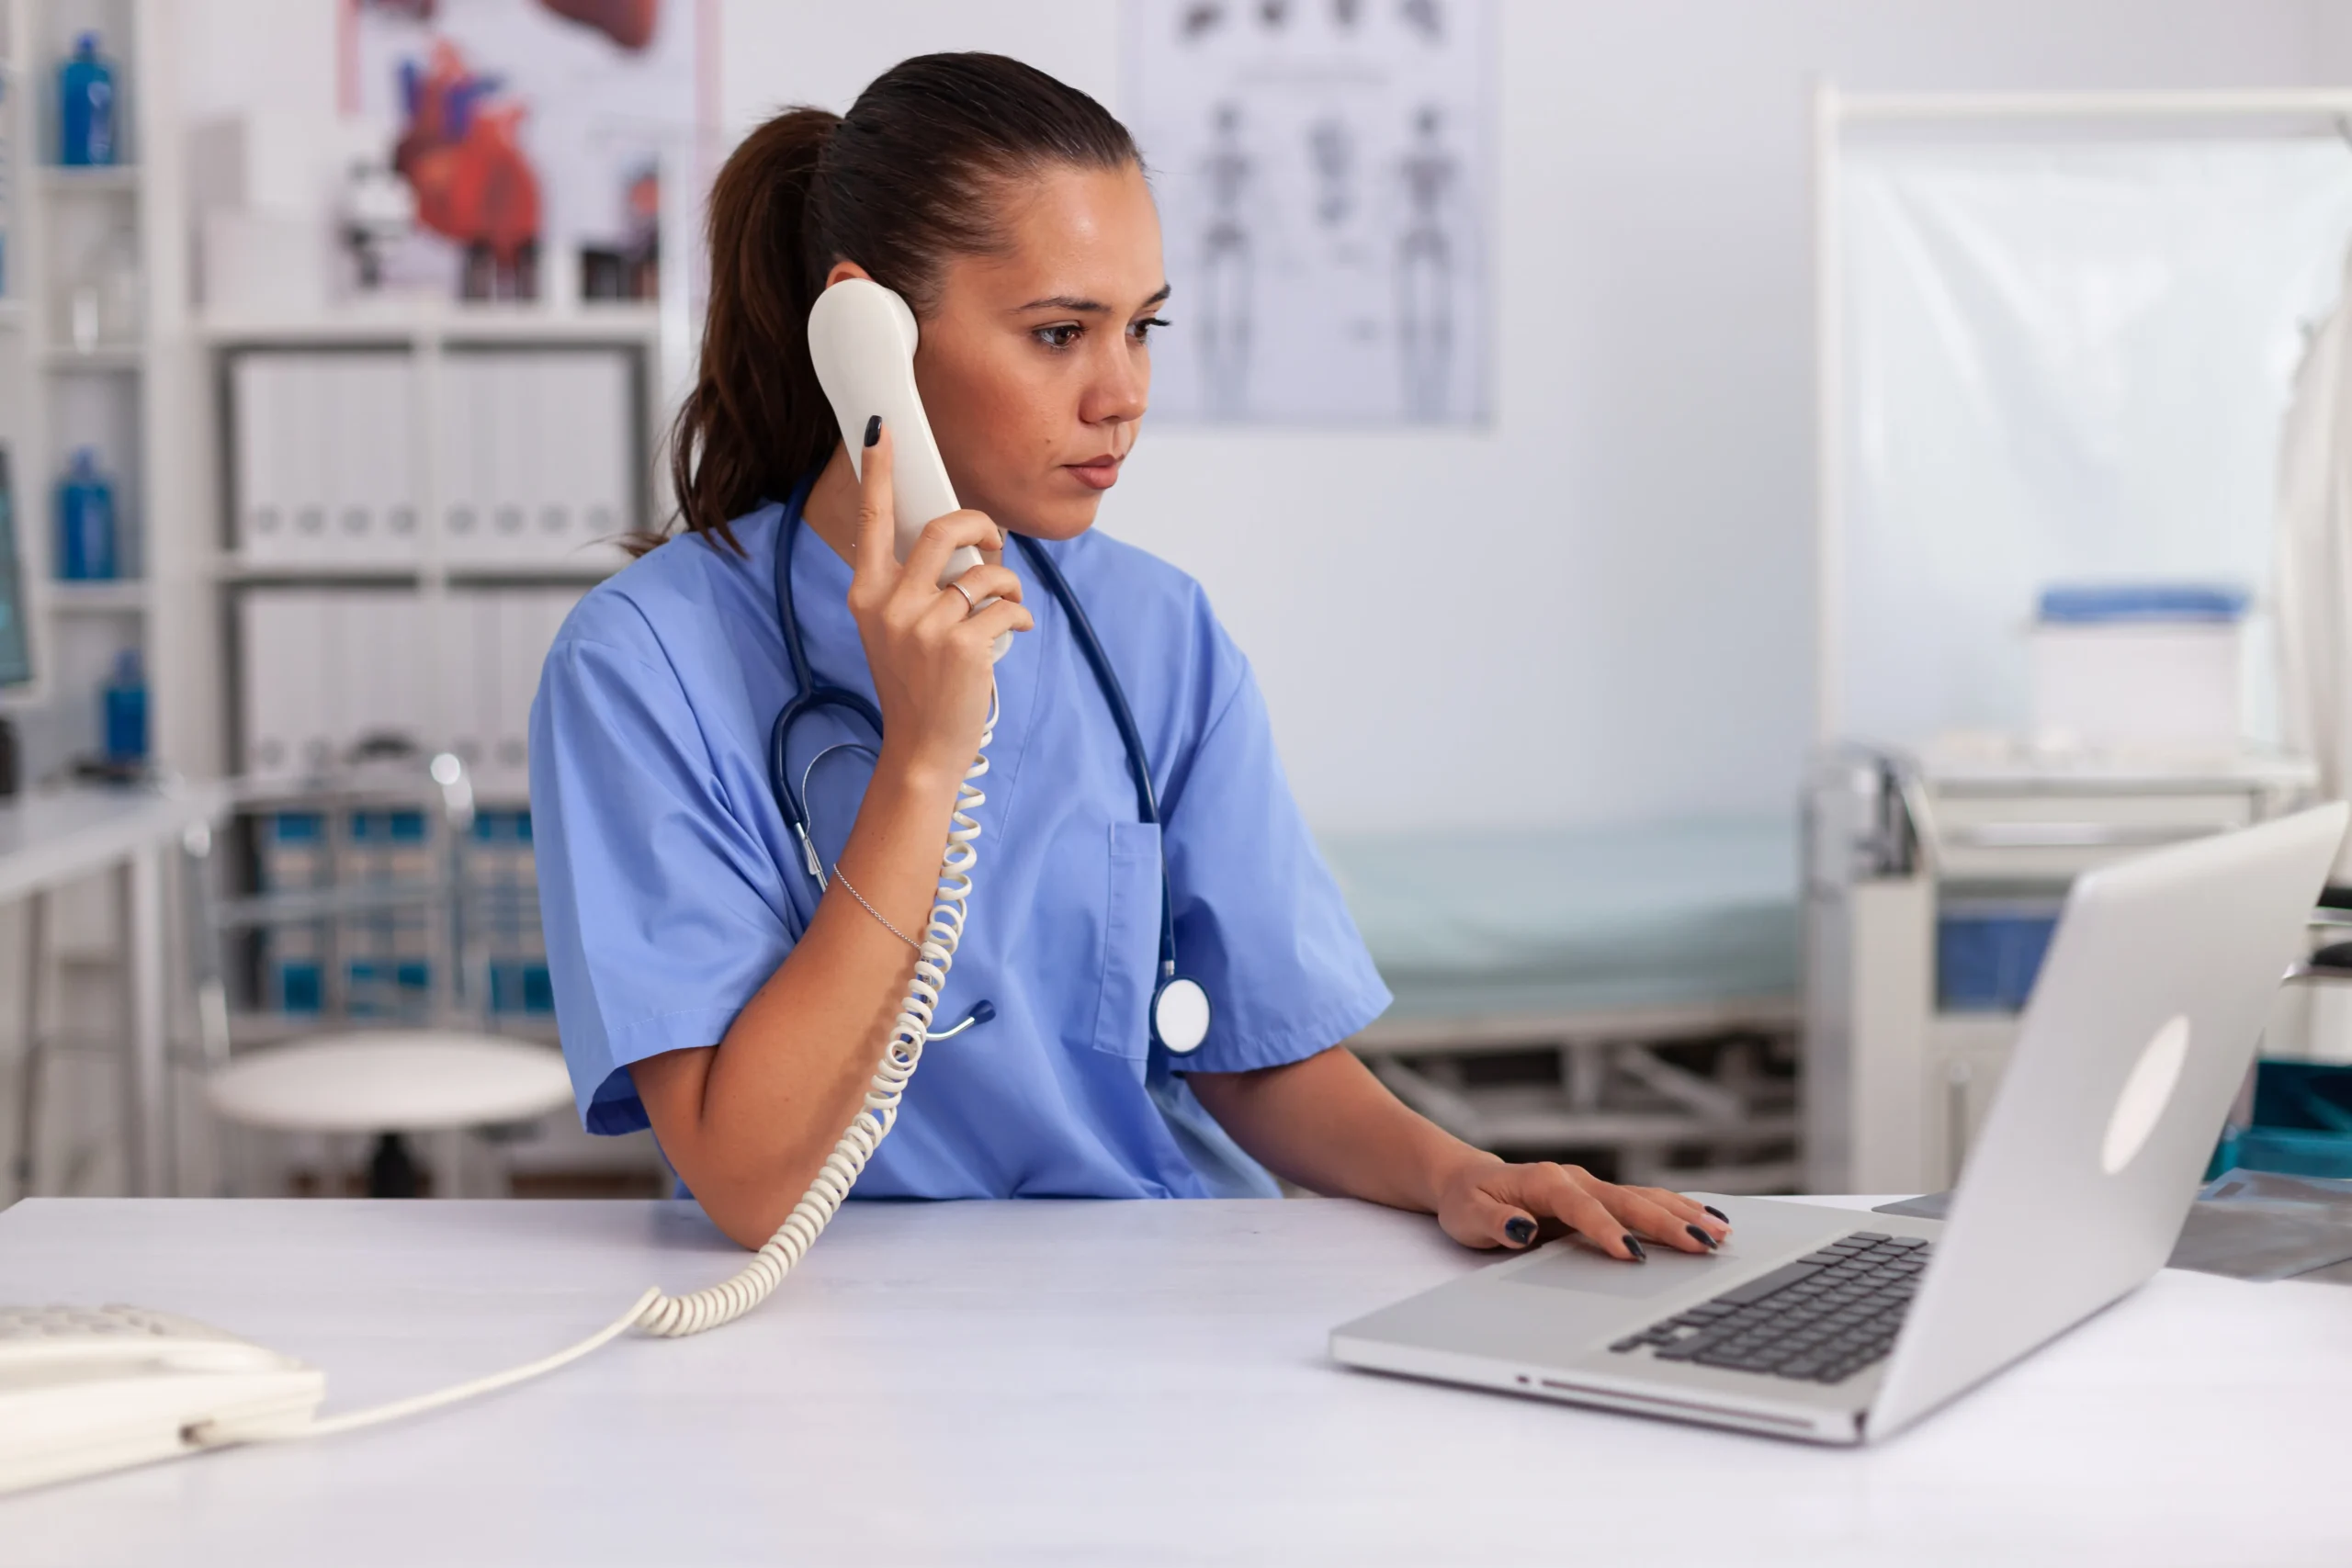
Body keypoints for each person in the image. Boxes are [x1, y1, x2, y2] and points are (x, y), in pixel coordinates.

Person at [529, 52, 1731, 1264]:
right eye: (1059, 333)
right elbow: (746, 1180)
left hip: (1158, 1290)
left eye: (1142, 328)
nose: (1123, 394)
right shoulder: (643, 667)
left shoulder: (1158, 634)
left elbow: (1257, 1058)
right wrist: (921, 769)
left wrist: (1459, 1170)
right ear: (867, 333)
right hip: (838, 1336)